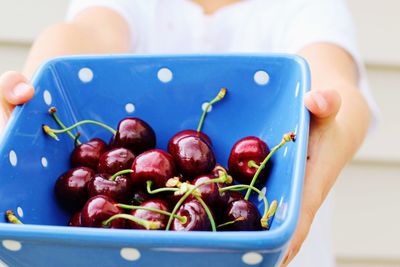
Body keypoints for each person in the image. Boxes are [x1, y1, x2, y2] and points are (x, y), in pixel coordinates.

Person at [0, 0, 374, 266]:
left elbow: (335, 78)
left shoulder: (307, 7)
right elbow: (86, 33)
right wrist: (37, 86)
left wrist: (326, 119)